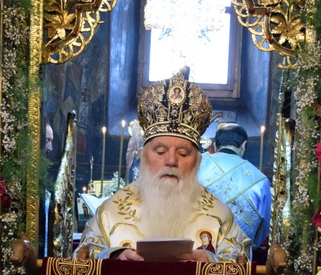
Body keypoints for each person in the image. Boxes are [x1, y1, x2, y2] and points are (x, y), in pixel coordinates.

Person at [76, 69, 251, 263]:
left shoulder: (220, 215)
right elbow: (83, 256)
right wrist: (115, 257)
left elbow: (241, 260)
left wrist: (210, 260)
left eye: (182, 153)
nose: (171, 161)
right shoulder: (110, 212)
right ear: (143, 157)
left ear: (197, 162)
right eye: (160, 152)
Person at [197, 122, 272, 247]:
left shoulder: (197, 164)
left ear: (215, 145)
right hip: (238, 254)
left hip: (196, 249)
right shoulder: (260, 180)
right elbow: (263, 231)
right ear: (244, 145)